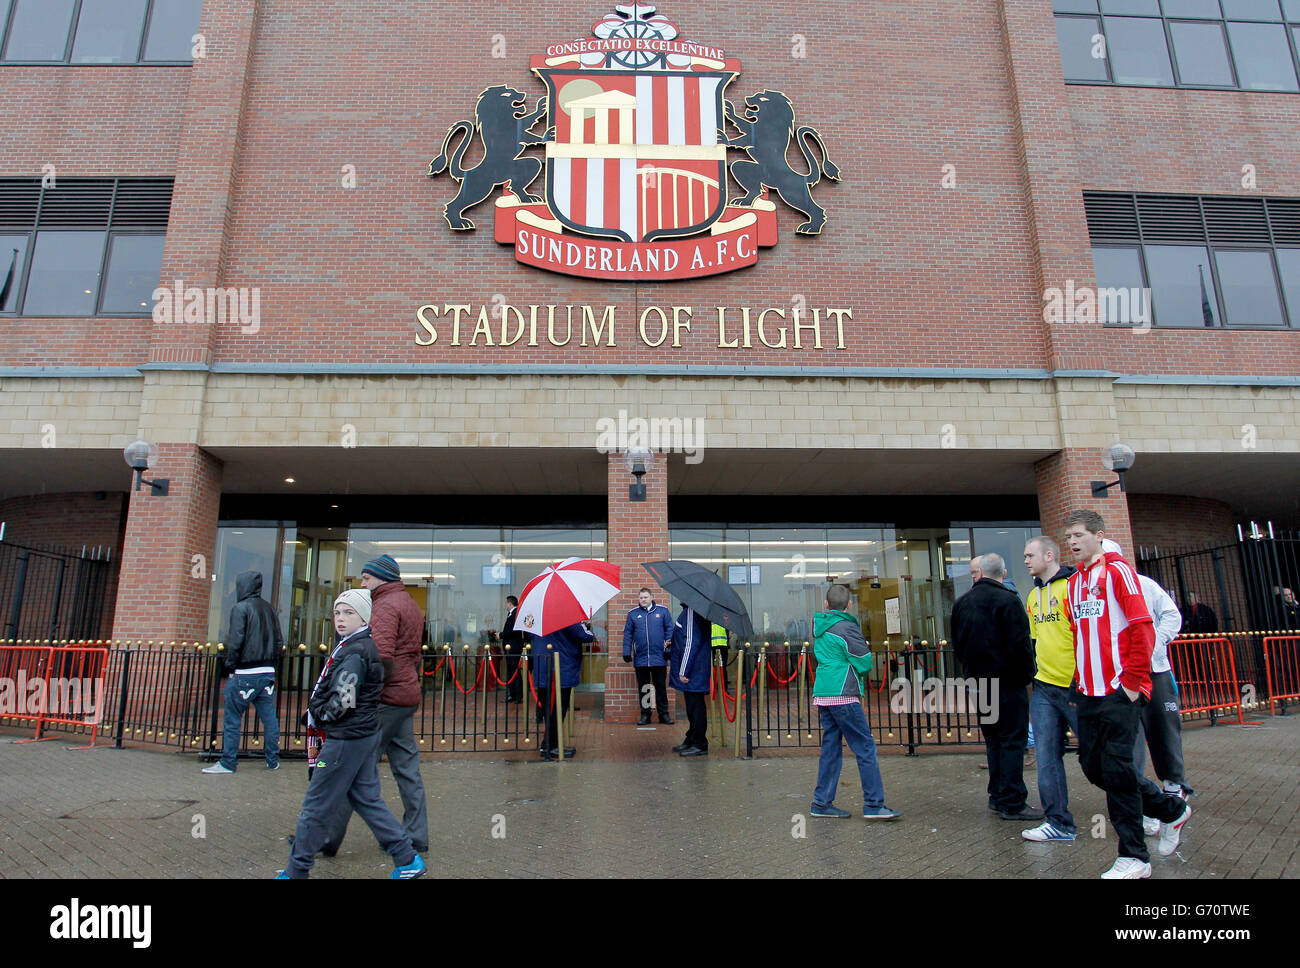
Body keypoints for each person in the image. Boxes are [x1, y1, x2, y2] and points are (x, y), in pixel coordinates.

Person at [1063, 511, 1192, 879]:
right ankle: (1171, 810)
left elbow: (1142, 626)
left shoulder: (1120, 573)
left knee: (1119, 772)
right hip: (1088, 692)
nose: (1072, 541)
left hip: (1120, 691)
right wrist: (1078, 679)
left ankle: (1134, 857)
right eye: (1068, 536)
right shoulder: (1075, 583)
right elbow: (1080, 634)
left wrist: (1134, 684)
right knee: (1094, 768)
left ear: (1098, 536)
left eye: (1078, 535)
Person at [278, 589, 425, 879]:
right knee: (366, 799)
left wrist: (319, 714)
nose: (341, 619)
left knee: (317, 802)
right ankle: (407, 859)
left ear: (364, 617)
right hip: (361, 734)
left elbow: (344, 700)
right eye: (337, 613)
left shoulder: (355, 651)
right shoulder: (356, 647)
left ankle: (297, 870)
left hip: (345, 738)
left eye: (349, 613)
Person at [321, 554, 429, 855]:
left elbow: (379, 658)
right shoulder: (409, 603)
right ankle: (416, 834)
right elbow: (413, 653)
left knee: (350, 767)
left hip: (386, 700)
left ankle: (325, 837)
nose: (363, 582)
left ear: (382, 578)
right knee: (407, 769)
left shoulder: (384, 607)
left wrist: (364, 696)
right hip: (406, 696)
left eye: (367, 578)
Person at [1093, 541, 1196, 837]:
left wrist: (1156, 642)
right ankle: (1143, 800)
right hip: (1121, 676)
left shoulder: (1144, 584)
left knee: (1164, 729)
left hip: (1155, 671)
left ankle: (1174, 787)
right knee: (1129, 738)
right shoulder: (1093, 590)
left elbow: (1172, 616)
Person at [951, 553, 1041, 820]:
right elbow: (1020, 644)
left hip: (979, 684)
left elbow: (958, 644)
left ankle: (997, 794)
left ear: (978, 574)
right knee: (1012, 741)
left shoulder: (961, 603)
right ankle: (1012, 801)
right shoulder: (1008, 601)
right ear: (1003, 574)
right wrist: (1027, 675)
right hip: (1008, 683)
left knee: (993, 740)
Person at [810, 584, 901, 821]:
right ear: (849, 605)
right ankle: (873, 804)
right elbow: (864, 662)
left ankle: (821, 802)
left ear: (826, 605)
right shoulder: (847, 628)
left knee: (831, 747)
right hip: (844, 692)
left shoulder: (819, 627)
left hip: (824, 692)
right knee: (865, 746)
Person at [1020, 536, 1079, 842]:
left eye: (1031, 555)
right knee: (1045, 756)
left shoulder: (1072, 588)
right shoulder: (1032, 597)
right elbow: (1035, 640)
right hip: (1045, 686)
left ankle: (1148, 807)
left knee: (1100, 754)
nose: (1026, 561)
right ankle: (1059, 822)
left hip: (1075, 686)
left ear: (1050, 555)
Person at [203, 571, 284, 774]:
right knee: (269, 718)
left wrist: (230, 666)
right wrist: (272, 664)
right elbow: (279, 642)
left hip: (246, 671)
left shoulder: (241, 608)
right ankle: (273, 760)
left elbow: (236, 640)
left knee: (232, 718)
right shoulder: (270, 609)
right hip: (267, 672)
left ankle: (228, 762)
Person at [532, 620, 594, 760]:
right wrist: (587, 628)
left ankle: (549, 743)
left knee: (549, 709)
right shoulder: (567, 615)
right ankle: (550, 745)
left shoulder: (538, 616)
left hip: (543, 665)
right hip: (560, 667)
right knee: (558, 710)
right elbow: (584, 635)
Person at [622, 587, 674, 725]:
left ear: (651, 597)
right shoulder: (633, 614)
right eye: (641, 598)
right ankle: (646, 715)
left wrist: (668, 649)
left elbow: (669, 630)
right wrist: (626, 651)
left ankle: (664, 715)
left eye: (645, 597)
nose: (643, 600)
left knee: (661, 687)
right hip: (641, 658)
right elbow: (628, 634)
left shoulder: (663, 611)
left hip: (659, 658)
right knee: (644, 688)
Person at [669, 603, 712, 756]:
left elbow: (690, 642)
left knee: (695, 707)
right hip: (697, 667)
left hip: (693, 669)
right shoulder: (695, 611)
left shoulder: (691, 613)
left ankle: (699, 742)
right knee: (693, 706)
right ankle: (692, 738)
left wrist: (684, 670)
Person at [500, 595, 525, 704]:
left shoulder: (515, 614)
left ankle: (518, 695)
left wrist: (501, 635)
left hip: (514, 648)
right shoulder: (512, 614)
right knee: (511, 672)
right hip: (510, 648)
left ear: (510, 604)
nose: (505, 605)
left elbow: (512, 630)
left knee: (515, 672)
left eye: (506, 603)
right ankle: (512, 694)